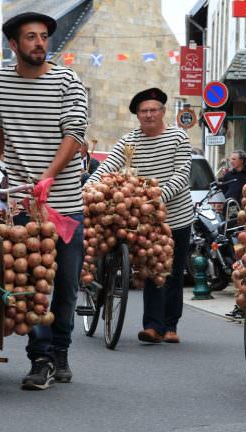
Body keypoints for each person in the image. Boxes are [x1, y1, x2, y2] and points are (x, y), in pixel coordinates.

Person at [0, 12, 88, 391]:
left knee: (65, 283)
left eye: (43, 36)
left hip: (64, 201)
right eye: (30, 37)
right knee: (30, 281)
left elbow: (74, 135)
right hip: (21, 202)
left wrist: (48, 177)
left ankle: (60, 349)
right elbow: (1, 126)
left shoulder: (68, 81)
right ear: (14, 45)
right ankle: (40, 358)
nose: (39, 43)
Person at [86, 88, 193, 345]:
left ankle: (170, 326)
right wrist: (88, 189)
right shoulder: (129, 141)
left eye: (153, 110)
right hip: (144, 218)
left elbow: (182, 173)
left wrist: (157, 198)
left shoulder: (178, 137)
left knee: (173, 272)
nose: (148, 115)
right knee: (150, 268)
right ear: (137, 115)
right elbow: (107, 167)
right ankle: (153, 326)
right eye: (143, 111)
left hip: (176, 215)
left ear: (163, 112)